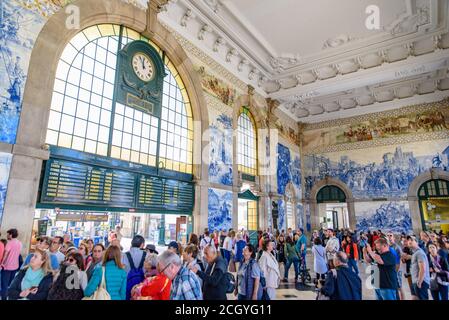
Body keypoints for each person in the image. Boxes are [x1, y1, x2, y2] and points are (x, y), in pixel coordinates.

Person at [0, 228, 23, 300]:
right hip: (15, 267)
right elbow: (19, 254)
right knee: (10, 284)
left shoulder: (9, 243)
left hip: (7, 267)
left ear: (11, 235)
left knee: (4, 284)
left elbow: (5, 254)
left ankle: (3, 298)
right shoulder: (20, 243)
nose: (7, 235)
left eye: (8, 234)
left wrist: (2, 263)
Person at [122, 235, 146, 300]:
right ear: (142, 244)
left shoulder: (124, 255)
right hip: (142, 286)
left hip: (127, 284)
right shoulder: (146, 255)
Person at [407, 235, 430, 300]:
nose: (409, 241)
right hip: (415, 281)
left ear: (417, 242)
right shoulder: (415, 253)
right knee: (414, 298)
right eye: (408, 240)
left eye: (412, 240)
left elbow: (422, 269)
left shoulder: (419, 253)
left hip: (420, 281)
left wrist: (419, 282)